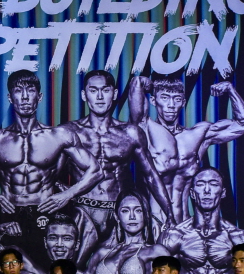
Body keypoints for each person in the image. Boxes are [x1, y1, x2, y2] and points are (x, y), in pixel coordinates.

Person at [0, 70, 103, 271]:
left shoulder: (59, 136)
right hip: (9, 212)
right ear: (10, 97)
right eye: (19, 91)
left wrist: (67, 194)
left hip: (46, 211)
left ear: (40, 96)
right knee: (4, 272)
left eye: (31, 90)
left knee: (51, 272)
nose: (25, 97)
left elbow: (95, 171)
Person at [127, 76, 244, 227]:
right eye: (165, 98)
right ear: (153, 100)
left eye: (177, 99)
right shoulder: (145, 130)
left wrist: (230, 89)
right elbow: (136, 91)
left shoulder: (198, 135)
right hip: (155, 222)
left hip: (186, 223)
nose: (171, 105)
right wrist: (142, 81)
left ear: (183, 102)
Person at [65, 70, 171, 249]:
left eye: (105, 90)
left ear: (114, 94)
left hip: (120, 213)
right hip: (83, 211)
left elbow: (151, 176)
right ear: (84, 95)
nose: (99, 97)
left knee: (124, 262)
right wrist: (64, 193)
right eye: (93, 90)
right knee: (74, 265)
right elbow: (47, 174)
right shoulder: (69, 131)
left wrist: (170, 215)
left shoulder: (130, 133)